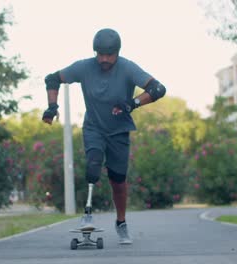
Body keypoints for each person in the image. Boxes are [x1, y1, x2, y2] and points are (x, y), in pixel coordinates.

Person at [42, 28, 166, 244]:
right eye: (100, 54)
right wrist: (52, 107)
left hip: (119, 131)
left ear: (117, 52)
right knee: (93, 165)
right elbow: (52, 79)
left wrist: (132, 103)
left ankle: (121, 222)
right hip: (94, 128)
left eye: (109, 54)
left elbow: (157, 89)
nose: (104, 59)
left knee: (118, 181)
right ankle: (87, 216)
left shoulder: (127, 67)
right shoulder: (84, 67)